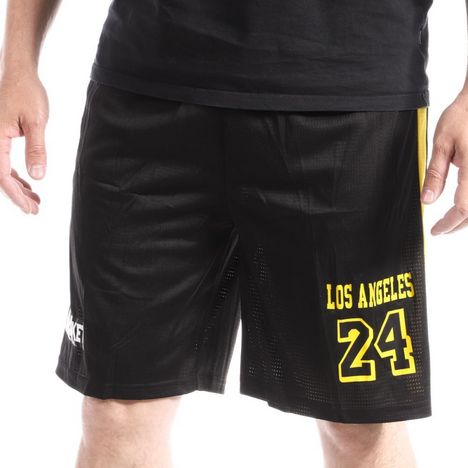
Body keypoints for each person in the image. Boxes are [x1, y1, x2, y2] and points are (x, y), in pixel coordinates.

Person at [1, 0, 467, 467]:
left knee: (362, 421)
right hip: (145, 92)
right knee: (117, 407)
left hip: (353, 109)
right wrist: (18, 64)